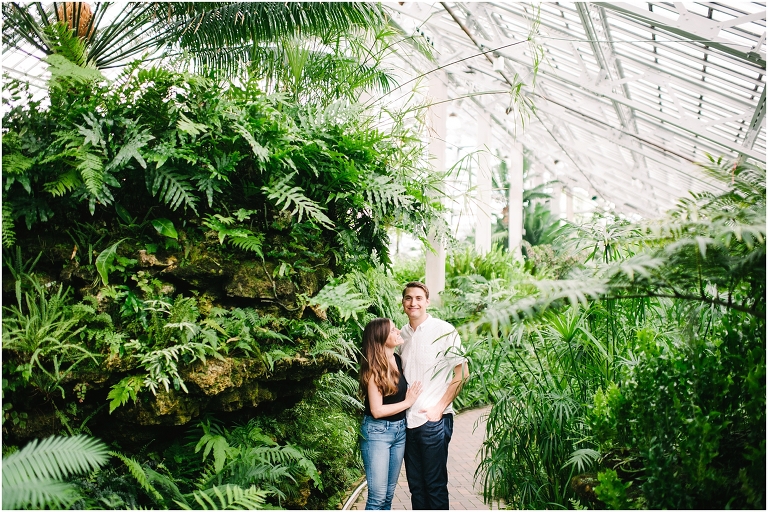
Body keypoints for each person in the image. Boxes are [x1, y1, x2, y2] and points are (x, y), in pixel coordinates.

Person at [399, 281, 469, 510]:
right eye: (409, 298)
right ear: (403, 303)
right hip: (407, 422)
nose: (413, 303)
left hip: (433, 422)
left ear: (427, 302)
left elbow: (462, 373)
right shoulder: (402, 335)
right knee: (416, 487)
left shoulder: (444, 330)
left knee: (435, 486)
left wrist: (438, 408)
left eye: (419, 298)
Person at [359, 317, 423, 510]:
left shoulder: (396, 359)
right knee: (377, 498)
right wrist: (408, 402)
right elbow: (377, 411)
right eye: (393, 330)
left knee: (387, 496)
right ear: (380, 337)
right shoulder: (374, 369)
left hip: (399, 431)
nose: (398, 332)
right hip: (377, 433)